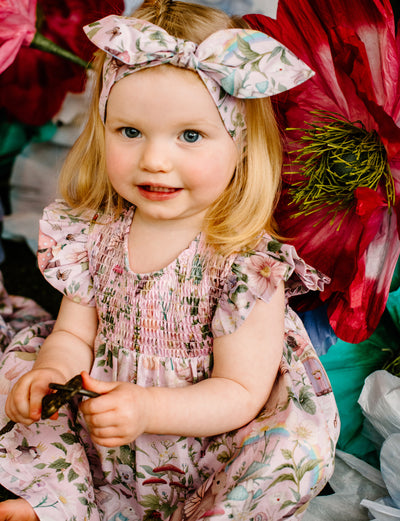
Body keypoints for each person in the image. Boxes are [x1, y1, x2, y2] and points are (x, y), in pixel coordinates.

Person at [0, 1, 339, 520]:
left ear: (241, 145)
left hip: (204, 451)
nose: (155, 160)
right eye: (130, 132)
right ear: (103, 129)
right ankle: (62, 501)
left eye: (190, 136)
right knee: (23, 375)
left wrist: (149, 408)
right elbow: (73, 335)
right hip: (103, 430)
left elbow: (240, 392)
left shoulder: (244, 263)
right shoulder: (94, 235)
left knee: (284, 455)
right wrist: (53, 371)